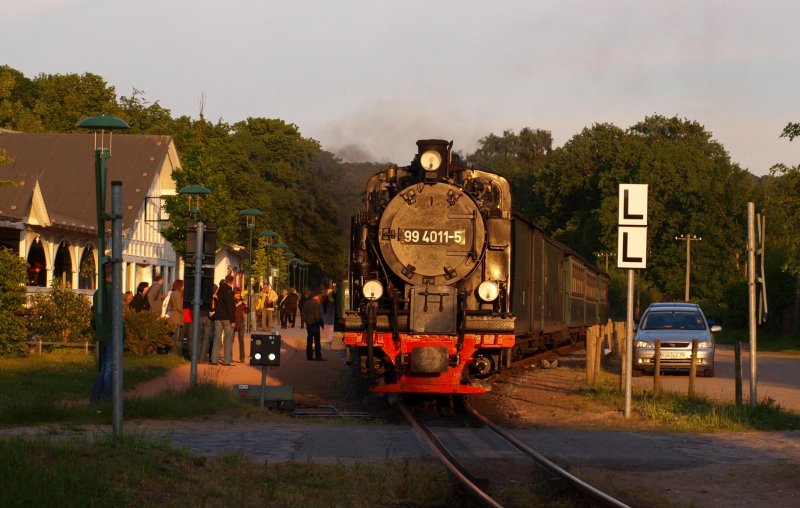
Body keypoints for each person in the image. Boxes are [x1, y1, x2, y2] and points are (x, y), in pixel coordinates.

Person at [90, 264, 114, 403]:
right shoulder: (111, 291)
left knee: (105, 367)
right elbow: (113, 314)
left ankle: (96, 397)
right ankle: (105, 398)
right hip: (111, 332)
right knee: (110, 368)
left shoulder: (98, 292)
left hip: (102, 332)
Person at [211, 275, 236, 365]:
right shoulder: (229, 291)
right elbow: (230, 307)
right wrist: (233, 320)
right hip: (227, 318)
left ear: (225, 280)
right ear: (232, 281)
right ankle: (226, 360)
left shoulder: (219, 290)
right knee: (228, 340)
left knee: (217, 338)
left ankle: (214, 359)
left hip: (218, 317)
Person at [301, 292, 324, 361]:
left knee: (309, 340)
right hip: (315, 324)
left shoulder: (307, 303)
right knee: (317, 341)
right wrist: (321, 324)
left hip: (309, 324)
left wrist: (306, 322)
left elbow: (303, 313)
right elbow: (318, 315)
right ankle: (318, 356)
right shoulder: (317, 304)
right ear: (315, 297)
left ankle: (309, 356)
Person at [166, 279, 185, 357]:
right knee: (176, 338)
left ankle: (173, 353)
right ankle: (175, 354)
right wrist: (184, 312)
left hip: (173, 316)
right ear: (180, 286)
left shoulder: (173, 293)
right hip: (177, 317)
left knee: (174, 337)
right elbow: (179, 307)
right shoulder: (177, 294)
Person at [233, 287, 247, 362]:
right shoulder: (232, 301)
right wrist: (237, 304)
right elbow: (231, 309)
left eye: (239, 294)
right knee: (231, 340)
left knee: (241, 340)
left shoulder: (242, 301)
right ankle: (229, 357)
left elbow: (246, 311)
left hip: (241, 322)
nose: (239, 296)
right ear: (234, 294)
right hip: (233, 321)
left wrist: (246, 305)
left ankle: (242, 358)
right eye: (237, 294)